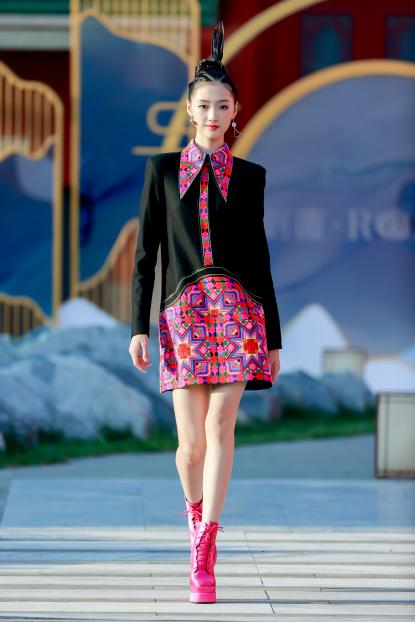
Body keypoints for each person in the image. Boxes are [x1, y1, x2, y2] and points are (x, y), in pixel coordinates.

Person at [129, 19, 282, 604]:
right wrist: (138, 327)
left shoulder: (251, 178)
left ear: (235, 110)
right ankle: (194, 517)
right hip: (183, 316)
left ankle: (206, 549)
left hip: (239, 314)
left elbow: (260, 258)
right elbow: (146, 254)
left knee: (222, 428)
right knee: (190, 446)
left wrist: (273, 335)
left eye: (223, 105)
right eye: (204, 106)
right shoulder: (162, 171)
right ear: (189, 110)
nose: (213, 115)